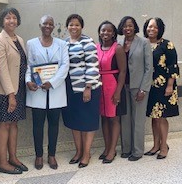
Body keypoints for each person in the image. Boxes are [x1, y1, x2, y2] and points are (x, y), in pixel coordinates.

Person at [0, 7, 28, 175]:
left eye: (14, 18)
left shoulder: (20, 39)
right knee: (4, 124)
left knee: (14, 123)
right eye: (7, 18)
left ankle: (13, 157)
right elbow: (2, 69)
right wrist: (11, 95)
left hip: (18, 89)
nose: (11, 21)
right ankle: (2, 162)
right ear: (2, 21)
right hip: (4, 92)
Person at [26, 15, 69, 170]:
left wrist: (53, 83)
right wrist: (28, 81)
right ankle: (39, 155)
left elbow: (65, 66)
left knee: (54, 125)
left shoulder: (62, 44)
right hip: (37, 90)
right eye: (45, 23)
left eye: (51, 23)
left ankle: (52, 155)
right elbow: (29, 65)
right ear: (40, 25)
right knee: (37, 125)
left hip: (55, 90)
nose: (48, 26)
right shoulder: (31, 43)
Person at [62, 14, 102, 168]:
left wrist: (88, 87)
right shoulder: (64, 43)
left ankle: (86, 154)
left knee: (88, 122)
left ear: (82, 27)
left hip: (87, 89)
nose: (74, 27)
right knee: (74, 122)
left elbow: (93, 65)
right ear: (67, 27)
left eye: (77, 25)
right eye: (71, 24)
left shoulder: (88, 42)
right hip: (70, 89)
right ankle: (78, 151)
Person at [117, 16, 153, 161]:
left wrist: (144, 89)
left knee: (138, 120)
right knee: (125, 119)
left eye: (130, 25)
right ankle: (126, 149)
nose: (127, 28)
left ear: (135, 27)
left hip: (138, 87)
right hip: (123, 86)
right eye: (125, 26)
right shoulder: (119, 42)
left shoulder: (144, 42)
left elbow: (149, 68)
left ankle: (137, 151)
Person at [143, 17, 179, 159]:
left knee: (162, 117)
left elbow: (173, 66)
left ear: (160, 29)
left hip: (164, 86)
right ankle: (155, 145)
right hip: (149, 87)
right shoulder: (144, 44)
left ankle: (164, 146)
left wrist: (170, 85)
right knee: (154, 117)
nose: (152, 29)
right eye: (149, 26)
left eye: (155, 27)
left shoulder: (167, 44)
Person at [97, 21, 126, 164]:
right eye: (103, 31)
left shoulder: (118, 48)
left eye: (109, 31)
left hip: (113, 85)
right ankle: (107, 147)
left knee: (114, 118)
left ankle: (112, 149)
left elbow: (123, 72)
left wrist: (118, 92)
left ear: (113, 33)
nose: (105, 33)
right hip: (99, 87)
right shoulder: (96, 48)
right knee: (104, 117)